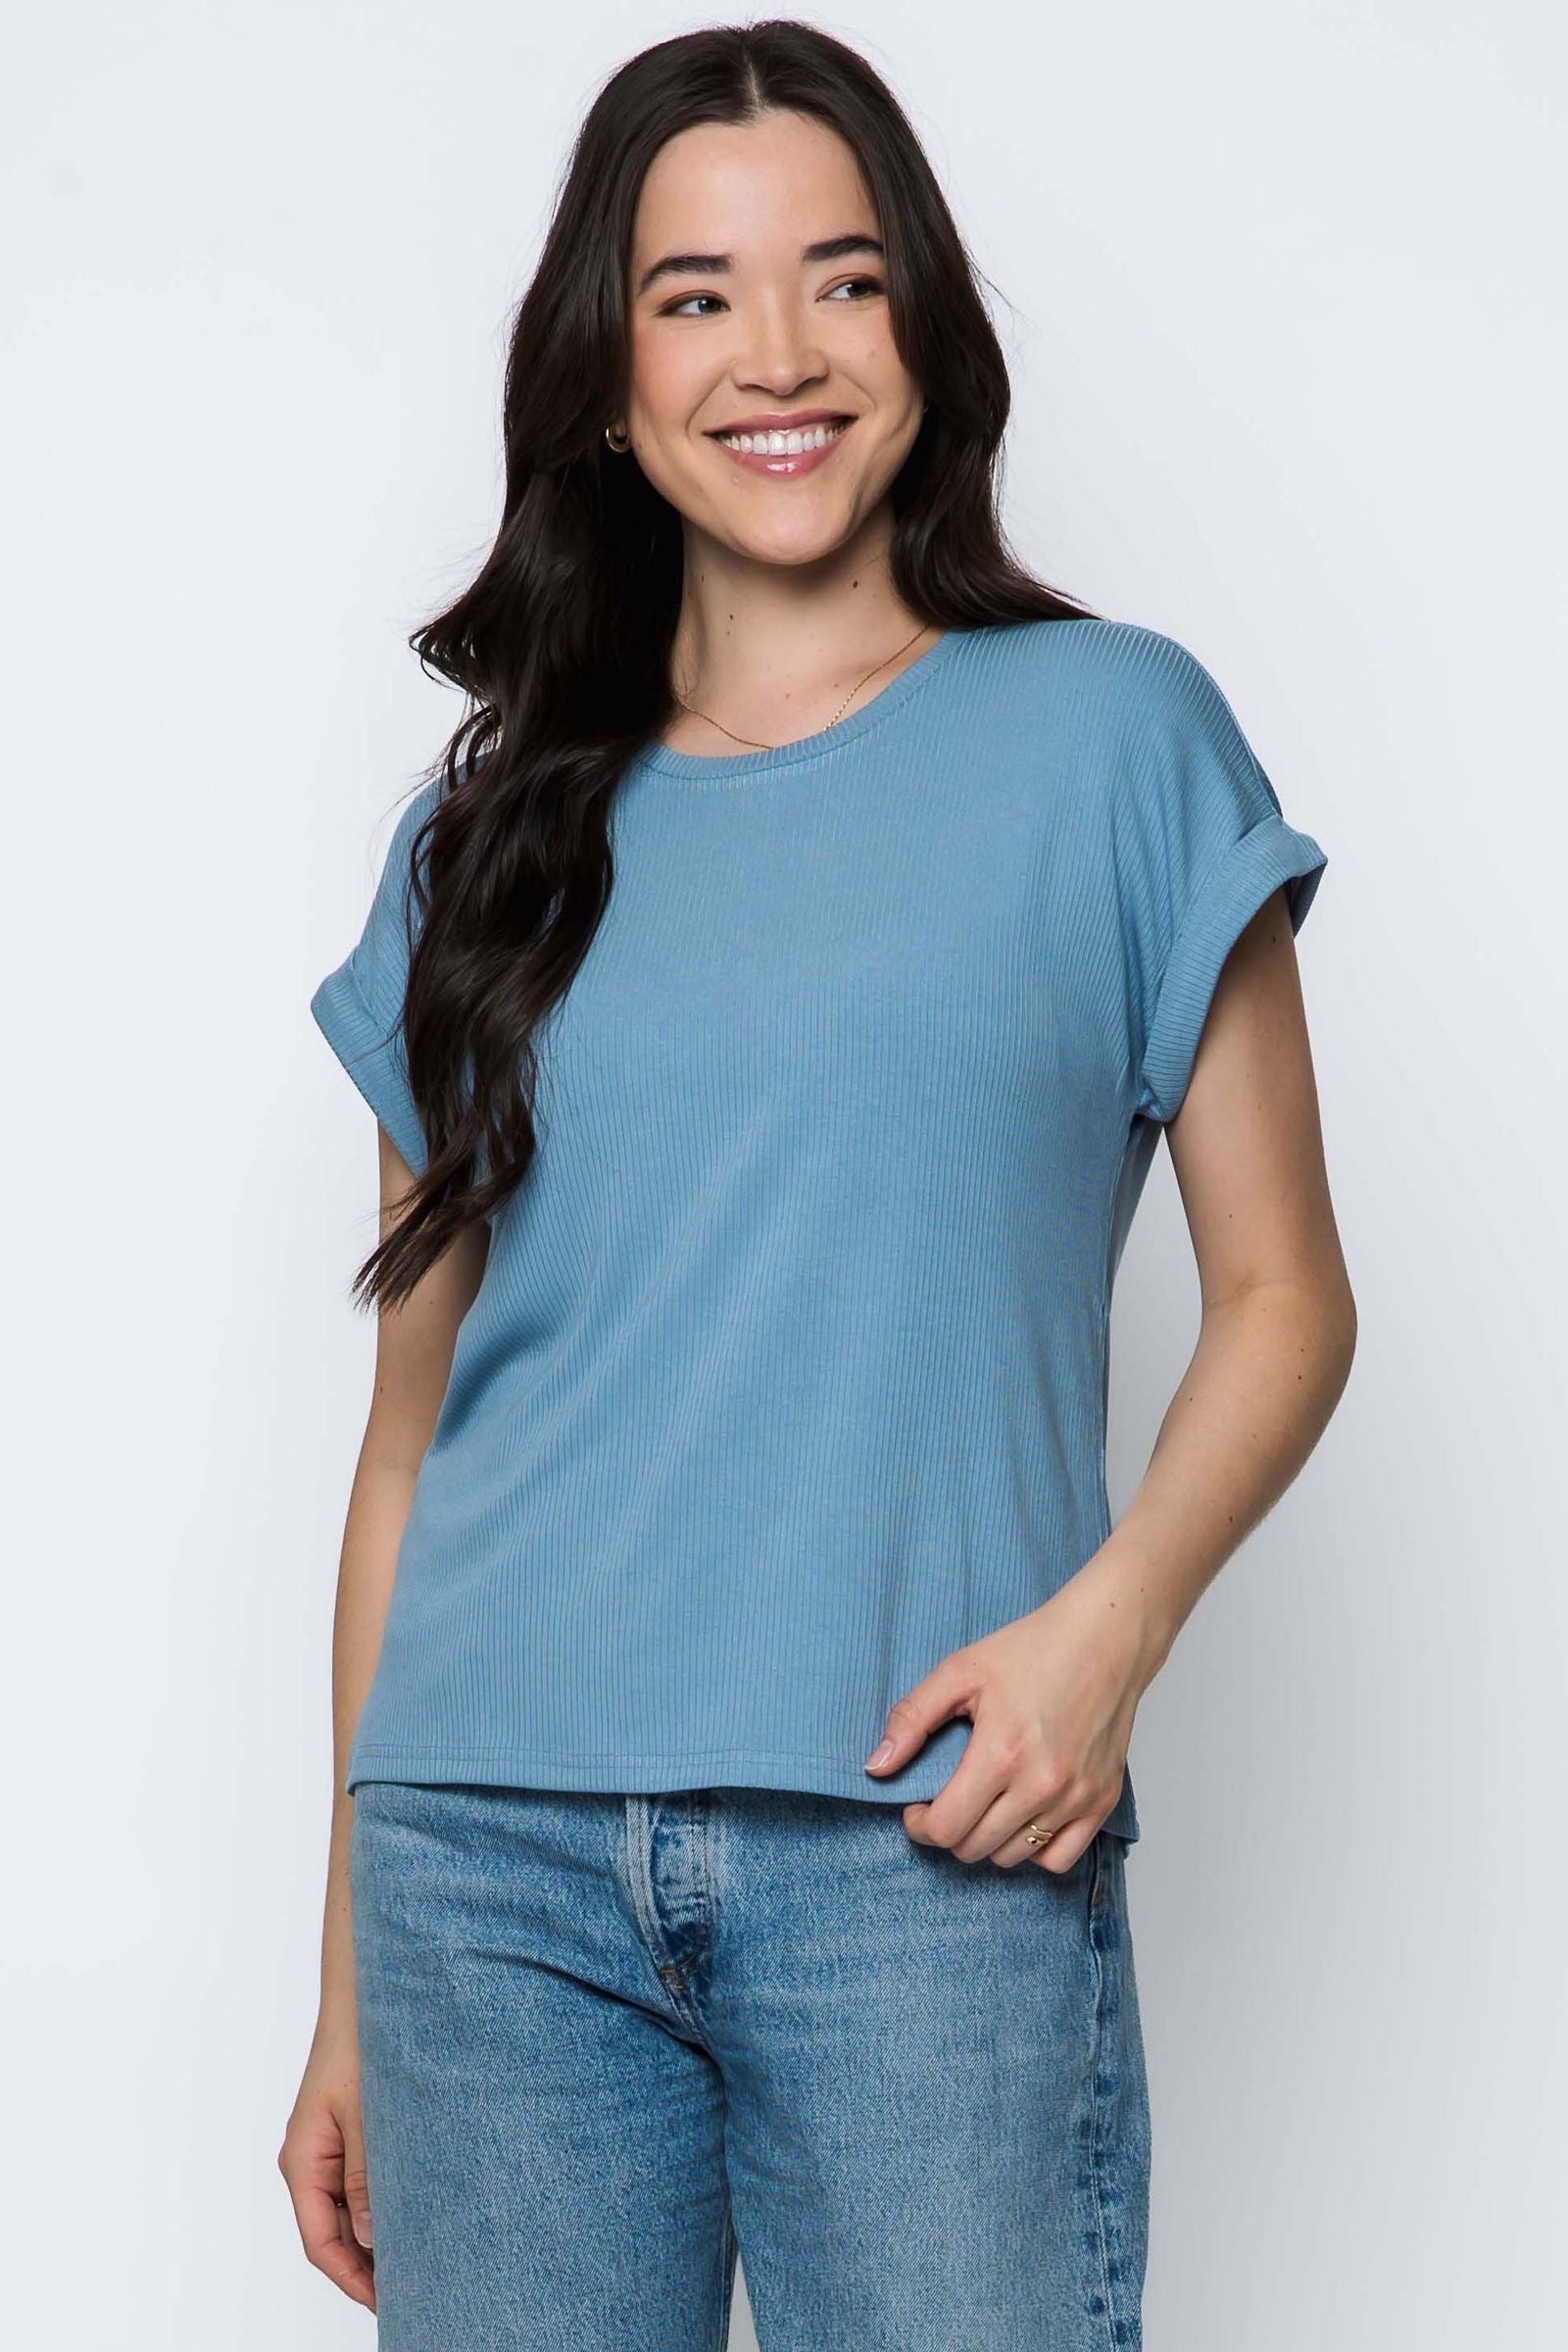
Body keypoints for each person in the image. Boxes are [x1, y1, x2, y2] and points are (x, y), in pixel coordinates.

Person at [278, 21, 1355, 2350]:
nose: (777, 354)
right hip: (485, 1881)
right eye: (694, 296)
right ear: (606, 377)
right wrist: (347, 1975)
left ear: (920, 331)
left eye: (840, 281)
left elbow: (1283, 1295)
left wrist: (1109, 1631)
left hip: (930, 1849)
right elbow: (404, 1450)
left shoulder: (1113, 736)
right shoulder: (480, 855)